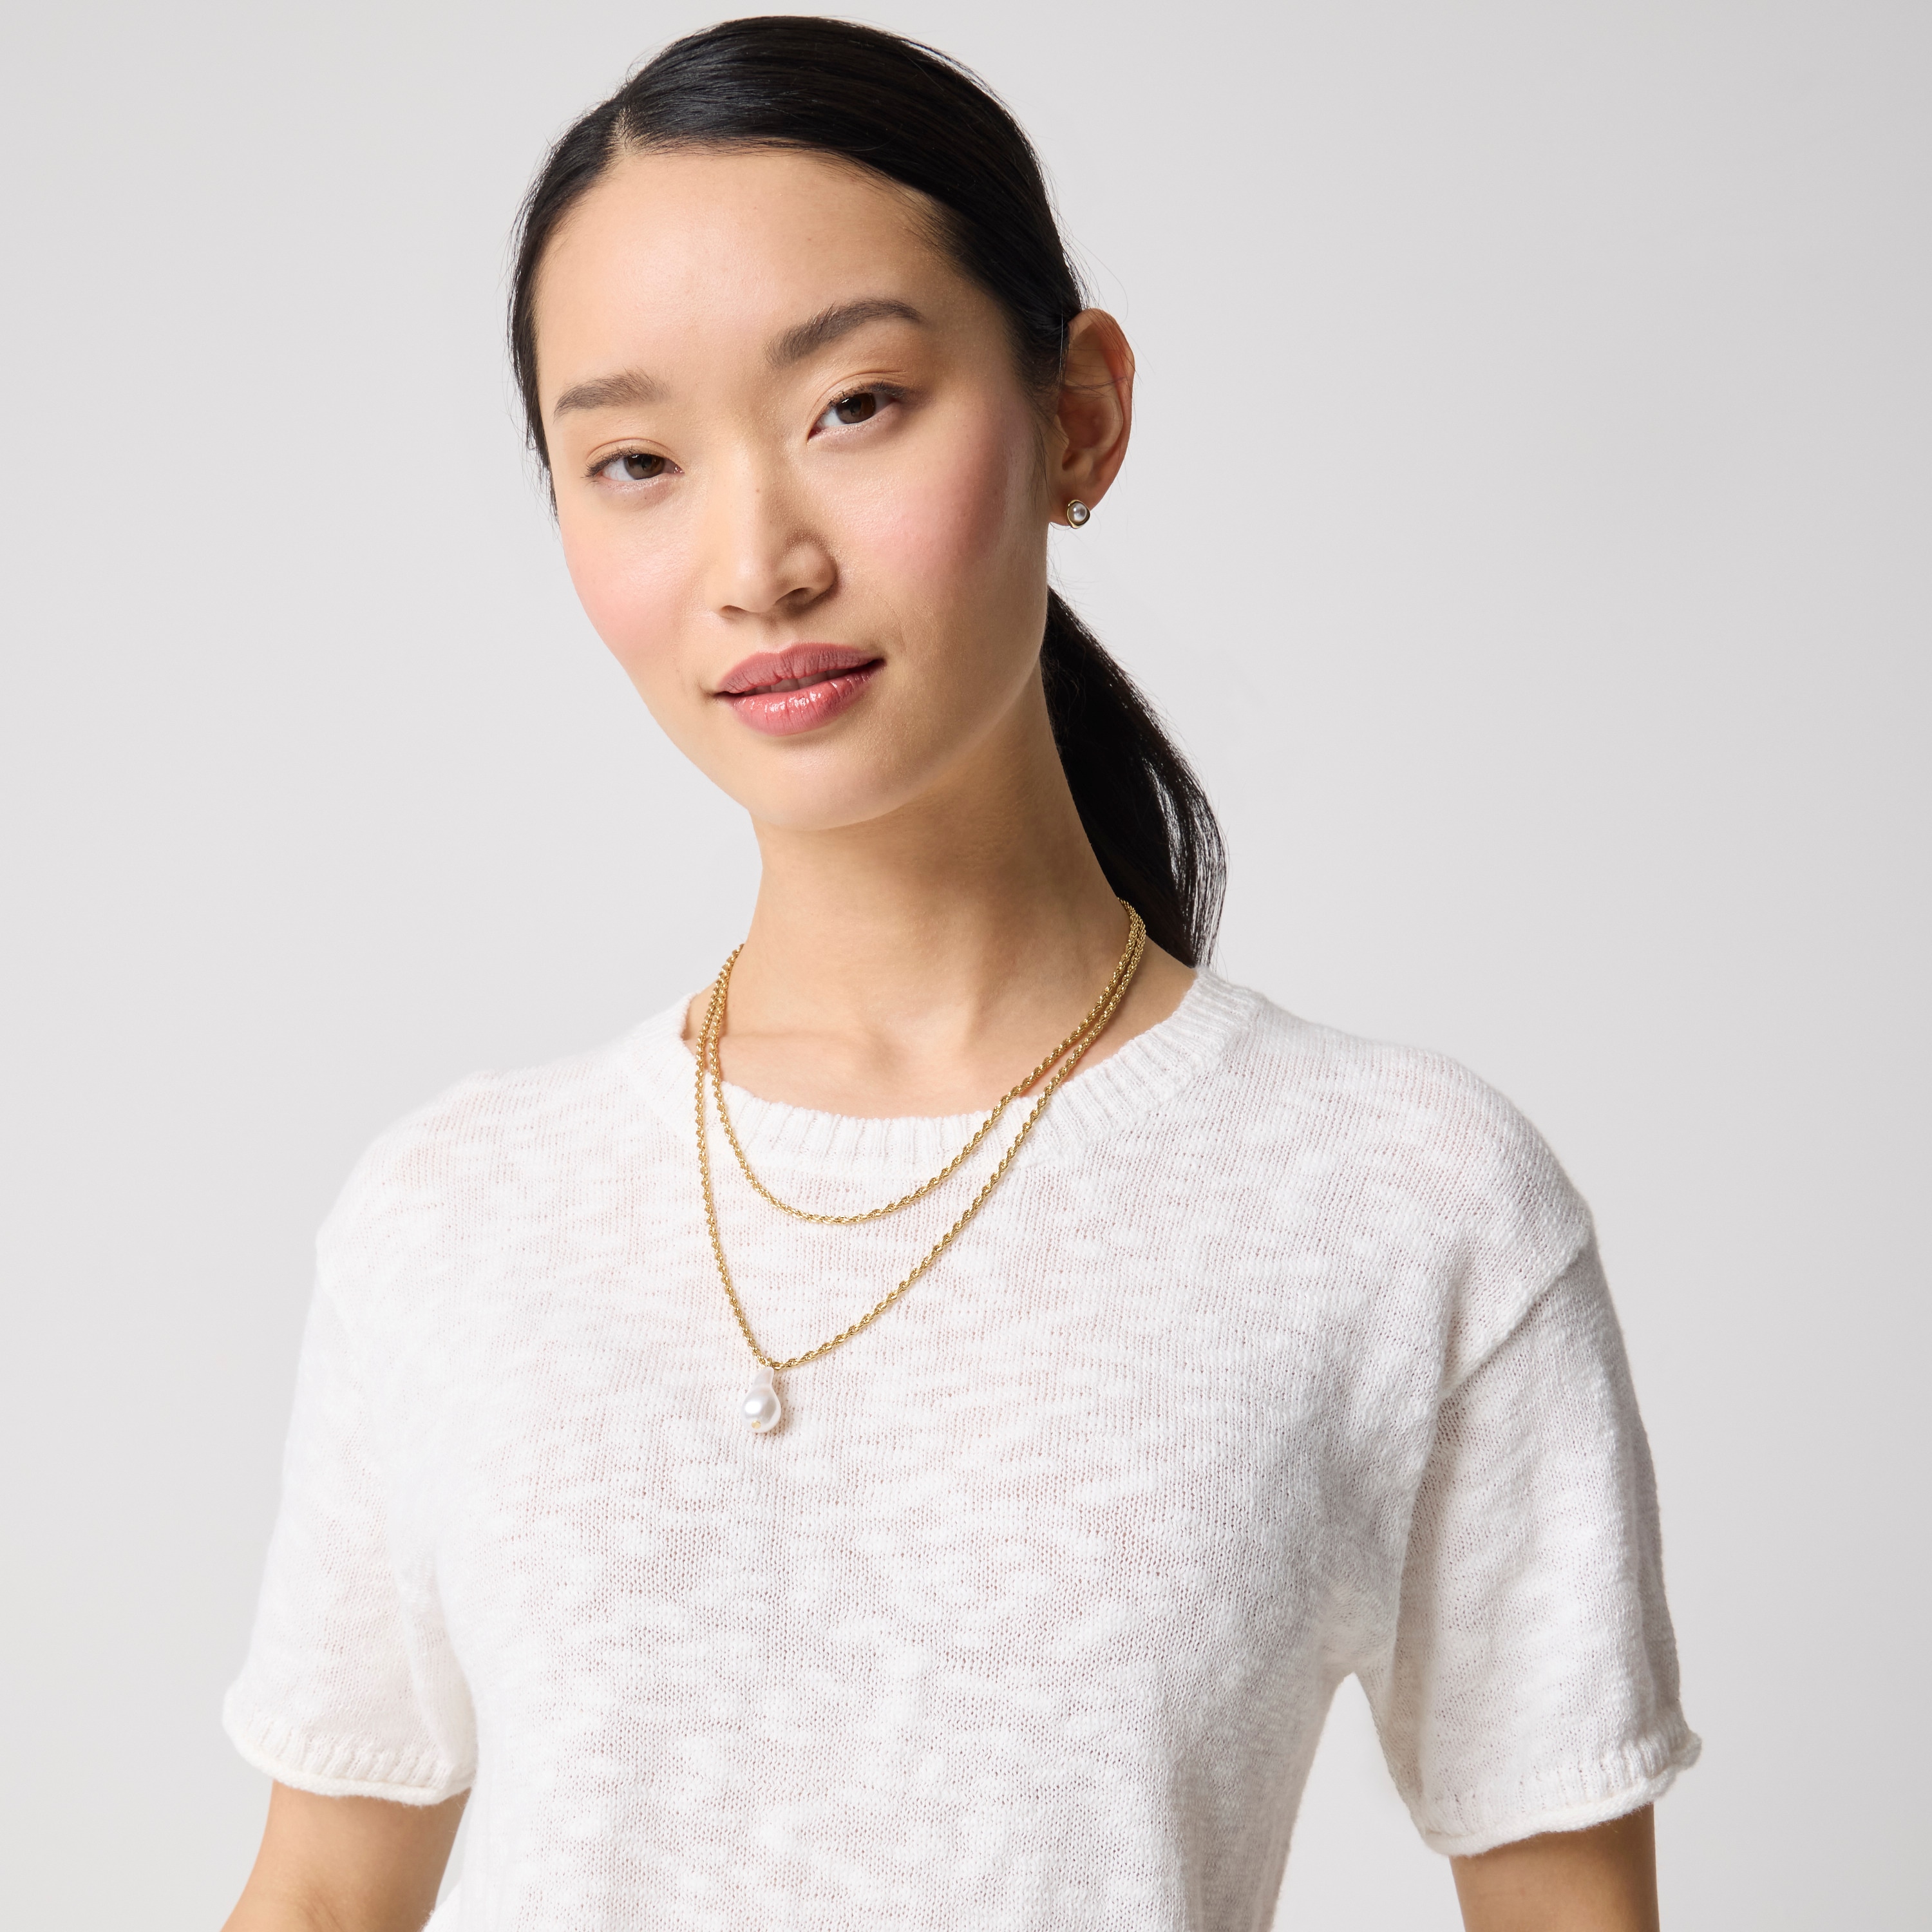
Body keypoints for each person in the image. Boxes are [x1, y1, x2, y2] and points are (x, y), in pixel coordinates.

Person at [220, 17, 1697, 1929]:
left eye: (854, 406)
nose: (758, 561)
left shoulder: (1407, 1204)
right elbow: (321, 1899)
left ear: (1078, 416)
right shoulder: (455, 1217)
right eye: (636, 459)